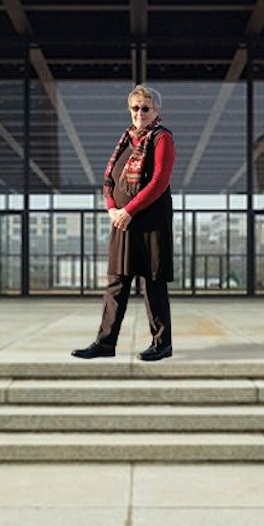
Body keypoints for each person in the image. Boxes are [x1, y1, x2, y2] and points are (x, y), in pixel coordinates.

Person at [72, 84, 176, 362]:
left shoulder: (161, 138)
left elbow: (158, 182)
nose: (140, 113)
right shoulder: (125, 140)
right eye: (135, 108)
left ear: (156, 111)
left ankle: (162, 343)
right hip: (123, 223)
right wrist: (112, 209)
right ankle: (105, 344)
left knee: (154, 282)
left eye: (146, 108)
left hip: (151, 222)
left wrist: (128, 210)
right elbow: (109, 181)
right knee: (116, 283)